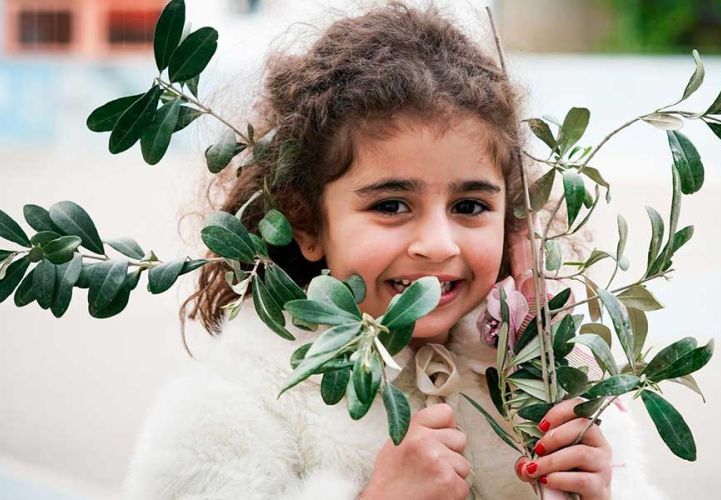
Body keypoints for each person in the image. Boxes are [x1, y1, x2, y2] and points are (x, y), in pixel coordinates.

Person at [123, 3, 666, 499]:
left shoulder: (548, 373)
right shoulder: (243, 397)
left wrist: (598, 491)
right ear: (306, 221)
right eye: (391, 205)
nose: (437, 245)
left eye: (471, 206)